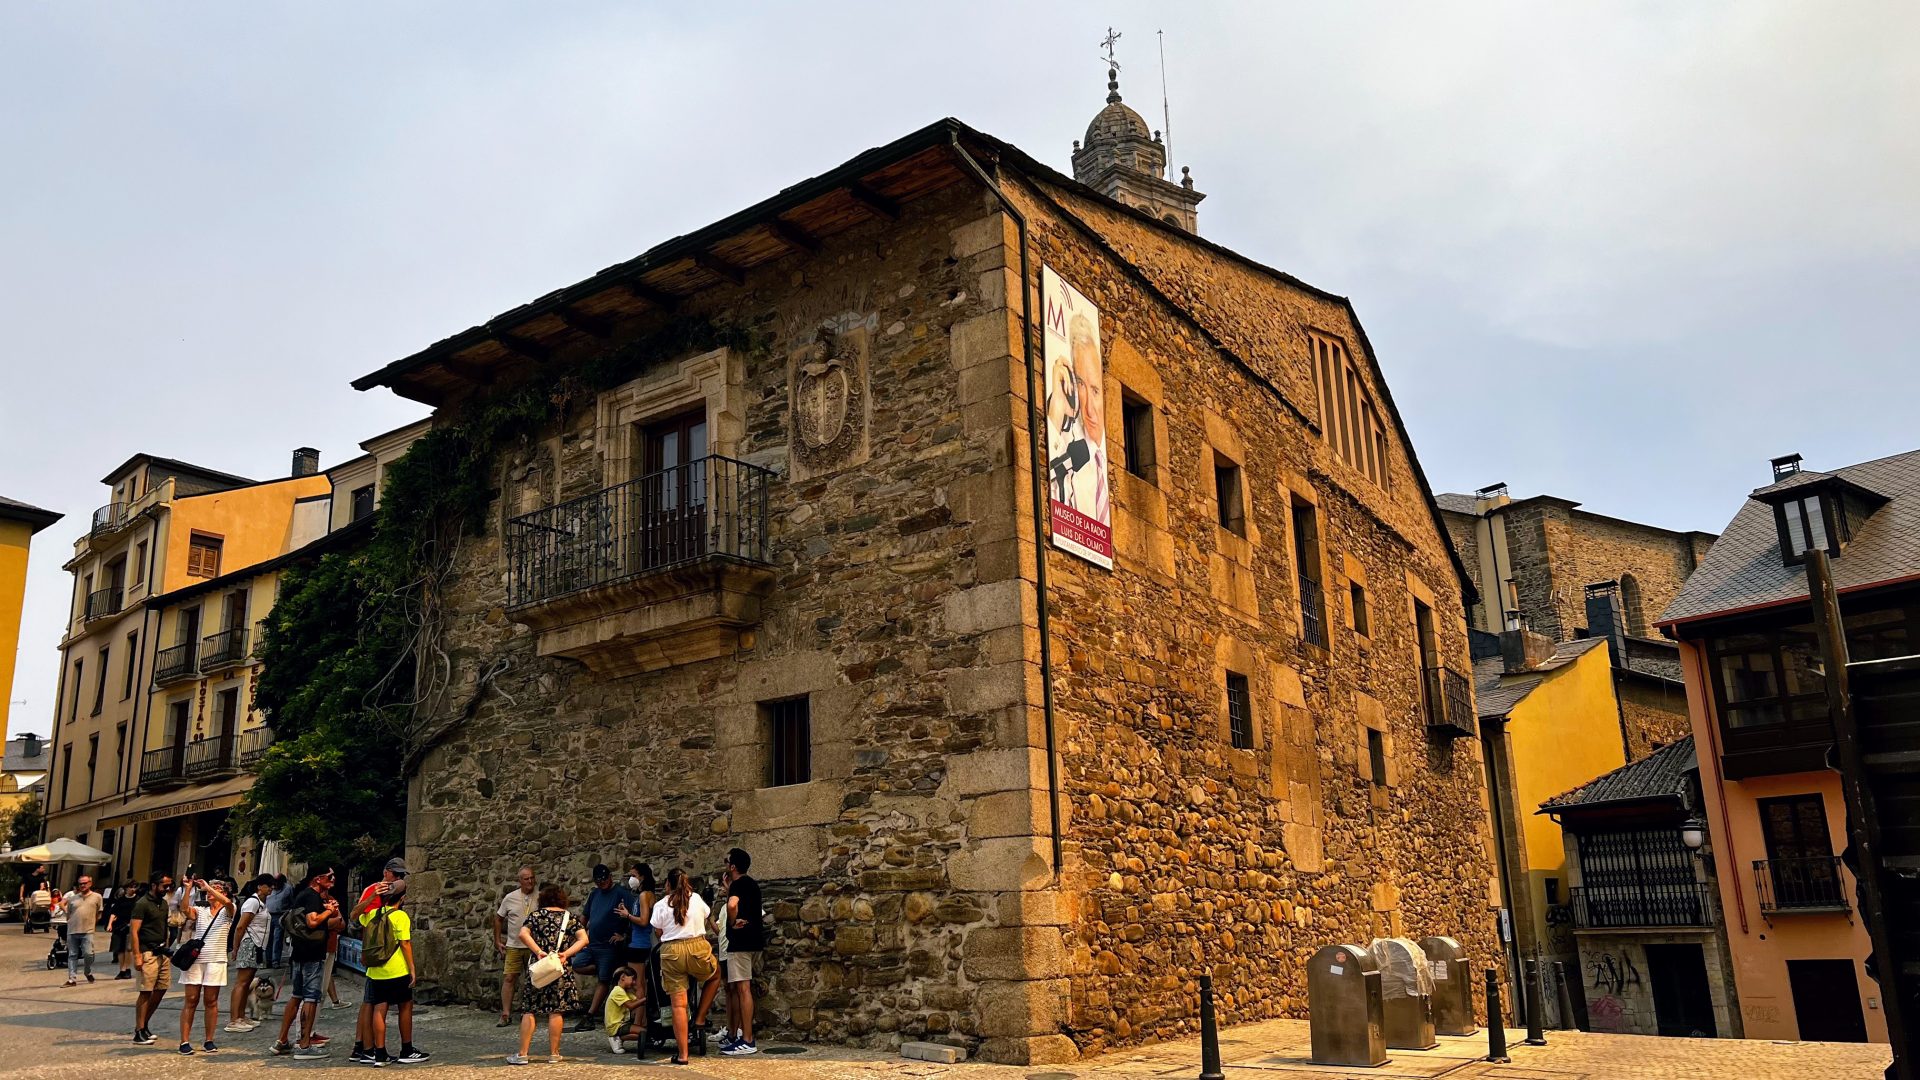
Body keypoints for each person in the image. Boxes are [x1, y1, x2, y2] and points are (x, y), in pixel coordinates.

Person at [351, 879, 428, 1066]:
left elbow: (354, 915)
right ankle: (407, 1049)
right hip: (397, 969)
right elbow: (405, 944)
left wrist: (371, 897)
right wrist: (412, 969)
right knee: (405, 1007)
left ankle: (380, 1054)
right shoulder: (400, 916)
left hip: (376, 971)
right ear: (402, 899)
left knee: (379, 1009)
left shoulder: (372, 915)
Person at [509, 882, 587, 1066]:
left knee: (530, 1009)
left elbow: (522, 934)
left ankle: (523, 1054)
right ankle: (554, 1054)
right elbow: (584, 939)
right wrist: (566, 954)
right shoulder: (570, 918)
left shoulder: (535, 916)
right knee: (556, 1010)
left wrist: (538, 951)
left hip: (540, 966)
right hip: (559, 967)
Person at [650, 868, 720, 1066]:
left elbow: (658, 930)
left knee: (678, 1005)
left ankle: (683, 1055)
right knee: (715, 975)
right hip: (697, 947)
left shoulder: (661, 905)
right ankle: (699, 1019)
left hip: (672, 951)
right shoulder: (696, 899)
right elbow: (706, 917)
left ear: (668, 885)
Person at [271, 867, 343, 1059]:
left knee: (297, 995)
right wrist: (328, 912)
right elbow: (313, 922)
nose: (333, 879)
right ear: (317, 879)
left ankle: (282, 1040)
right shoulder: (312, 897)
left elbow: (332, 924)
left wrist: (333, 912)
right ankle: (303, 1045)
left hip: (300, 951)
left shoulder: (303, 896)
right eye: (329, 876)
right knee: (311, 997)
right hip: (312, 952)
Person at [352, 859, 409, 1057]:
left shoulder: (392, 891)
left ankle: (366, 1047)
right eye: (397, 874)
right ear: (386, 872)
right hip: (375, 953)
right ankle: (365, 1048)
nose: (400, 878)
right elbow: (356, 915)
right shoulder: (373, 890)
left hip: (377, 953)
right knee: (371, 1003)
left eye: (401, 875)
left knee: (372, 1002)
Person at [176, 876, 235, 1054]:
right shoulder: (201, 911)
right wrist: (187, 889)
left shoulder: (227, 911)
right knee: (191, 1000)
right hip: (196, 959)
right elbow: (185, 909)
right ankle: (184, 1041)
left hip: (216, 959)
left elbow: (228, 904)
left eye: (217, 889)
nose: (210, 893)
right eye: (210, 889)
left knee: (211, 1001)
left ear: (223, 893)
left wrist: (209, 887)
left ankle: (209, 1039)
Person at [572, 864, 634, 1031]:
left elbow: (634, 915)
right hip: (593, 943)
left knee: (603, 980)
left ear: (610, 878)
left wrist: (625, 936)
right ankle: (603, 969)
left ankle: (590, 1015)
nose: (602, 883)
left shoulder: (621, 893)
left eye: (605, 880)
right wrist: (578, 934)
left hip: (609, 945)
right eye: (599, 881)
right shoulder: (594, 894)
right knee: (577, 964)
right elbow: (585, 917)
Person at [718, 849, 764, 1055]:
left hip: (740, 943)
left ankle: (747, 1039)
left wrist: (732, 919)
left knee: (742, 989)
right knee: (743, 988)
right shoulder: (752, 884)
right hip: (754, 941)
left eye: (727, 861)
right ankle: (743, 1036)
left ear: (733, 866)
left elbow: (733, 904)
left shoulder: (737, 885)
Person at [128, 870, 175, 1045]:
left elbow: (165, 927)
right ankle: (139, 1030)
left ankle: (144, 1024)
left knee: (161, 989)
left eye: (169, 885)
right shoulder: (142, 904)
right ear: (154, 885)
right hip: (147, 952)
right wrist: (137, 955)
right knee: (146, 991)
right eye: (164, 885)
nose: (167, 888)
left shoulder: (163, 903)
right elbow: (134, 931)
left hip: (162, 951)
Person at [493, 866, 537, 1027]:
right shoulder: (510, 898)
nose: (530, 881)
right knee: (510, 978)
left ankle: (531, 1012)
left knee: (534, 979)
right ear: (520, 881)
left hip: (534, 946)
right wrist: (498, 940)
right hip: (514, 945)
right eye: (526, 879)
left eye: (532, 878)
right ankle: (506, 1014)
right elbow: (498, 918)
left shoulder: (540, 896)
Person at [227, 877, 273, 1031]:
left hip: (257, 945)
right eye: (269, 886)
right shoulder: (252, 902)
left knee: (247, 983)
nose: (271, 889)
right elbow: (241, 926)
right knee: (242, 982)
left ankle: (241, 1015)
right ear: (260, 886)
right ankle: (234, 1019)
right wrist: (236, 947)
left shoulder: (261, 903)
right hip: (249, 943)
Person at [614, 864, 657, 1024]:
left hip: (639, 944)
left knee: (637, 984)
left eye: (634, 875)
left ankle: (639, 1021)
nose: (631, 879)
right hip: (639, 942)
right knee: (640, 983)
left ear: (642, 877)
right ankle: (641, 1019)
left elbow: (644, 920)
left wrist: (628, 916)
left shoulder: (645, 895)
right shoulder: (646, 895)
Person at [62, 874, 104, 987]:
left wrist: (93, 923)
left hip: (88, 930)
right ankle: (72, 979)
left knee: (88, 954)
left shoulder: (97, 897)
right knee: (72, 955)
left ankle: (87, 971)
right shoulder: (72, 898)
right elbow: (69, 913)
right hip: (72, 930)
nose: (82, 885)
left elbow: (99, 913)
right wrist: (70, 922)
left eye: (85, 883)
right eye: (80, 883)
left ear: (90, 883)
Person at [107, 879, 143, 979]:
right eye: (130, 887)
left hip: (131, 926)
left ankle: (127, 969)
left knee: (129, 949)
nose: (132, 889)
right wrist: (110, 924)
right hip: (119, 926)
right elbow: (114, 912)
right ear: (126, 888)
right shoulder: (121, 899)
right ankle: (121, 969)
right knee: (119, 949)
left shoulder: (138, 900)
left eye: (134, 887)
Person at [604, 967, 641, 1054]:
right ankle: (617, 1037)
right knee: (642, 1032)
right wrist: (645, 999)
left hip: (621, 1023)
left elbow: (636, 999)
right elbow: (631, 1005)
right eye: (633, 979)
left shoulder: (625, 991)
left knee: (642, 1032)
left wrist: (635, 988)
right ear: (623, 977)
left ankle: (619, 1037)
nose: (634, 982)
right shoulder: (618, 991)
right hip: (616, 1025)